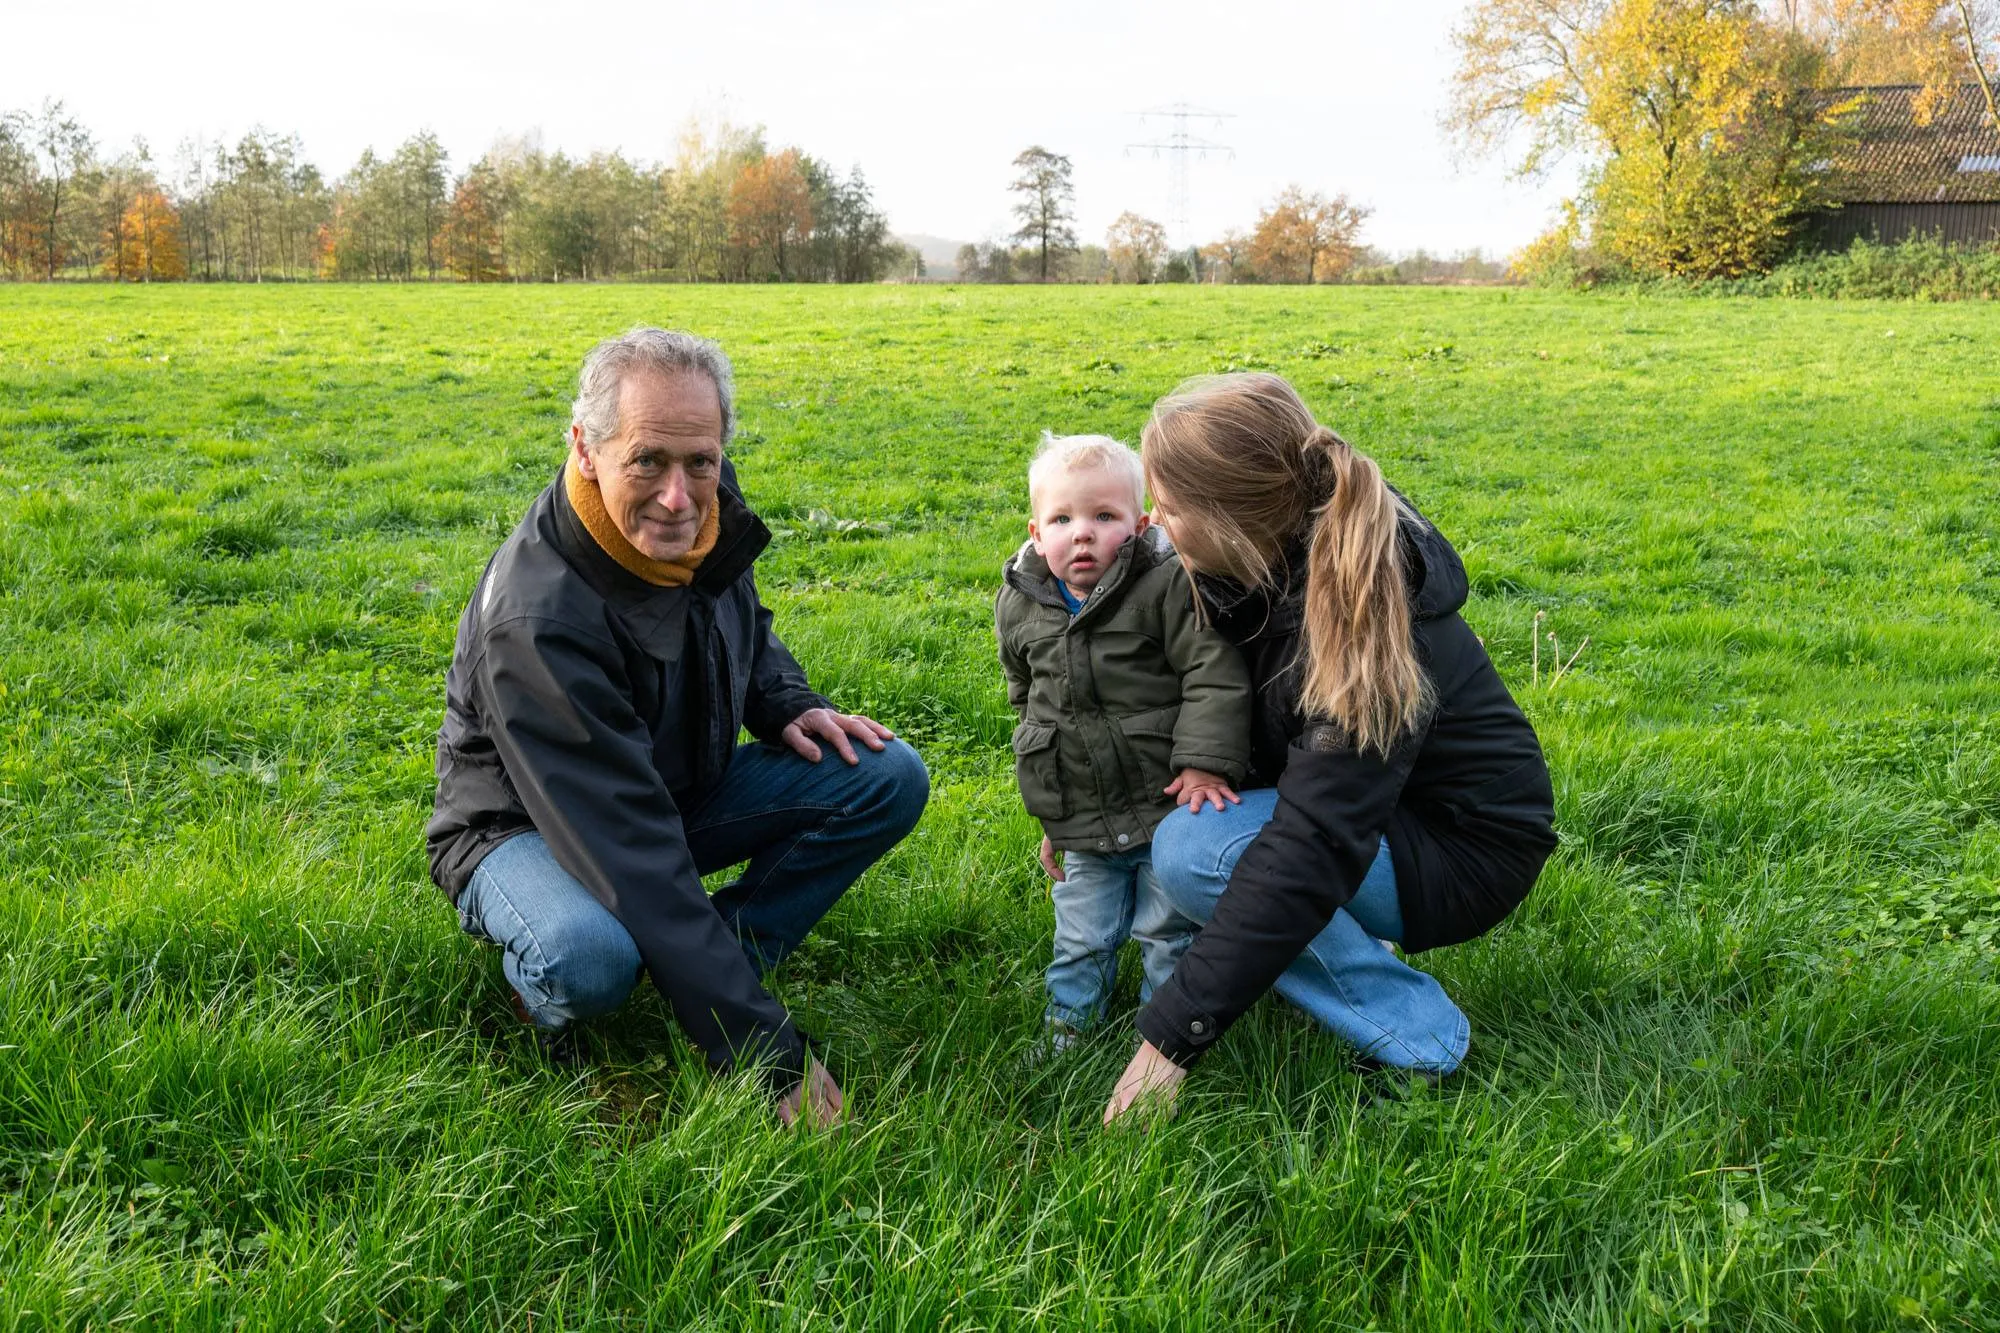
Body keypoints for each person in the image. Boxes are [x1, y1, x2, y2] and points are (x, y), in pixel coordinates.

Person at [426, 327, 928, 1128]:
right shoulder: (536, 618)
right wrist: (766, 1051)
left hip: (672, 783)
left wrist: (790, 703)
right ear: (585, 449)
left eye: (702, 460)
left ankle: (714, 959)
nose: (679, 495)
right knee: (589, 958)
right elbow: (632, 851)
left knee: (884, 773)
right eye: (648, 461)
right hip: (523, 828)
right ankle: (562, 990)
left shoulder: (700, 498)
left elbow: (744, 623)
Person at [1101, 373, 1558, 1125]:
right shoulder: (1255, 564)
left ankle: (1418, 1033)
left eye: (1172, 508)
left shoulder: (1361, 611)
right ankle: (1321, 964)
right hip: (1386, 818)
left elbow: (1313, 841)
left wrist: (1168, 1041)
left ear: (1229, 518)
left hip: (1463, 853)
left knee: (1198, 850)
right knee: (1199, 827)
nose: (1155, 521)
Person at [995, 434, 1251, 1049]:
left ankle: (1159, 1038)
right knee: (1080, 935)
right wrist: (1053, 818)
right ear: (1035, 530)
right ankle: (1067, 1031)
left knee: (1169, 934)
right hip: (1084, 812)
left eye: (1103, 517)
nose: (1081, 534)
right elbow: (1031, 708)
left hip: (1167, 806)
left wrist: (1204, 765)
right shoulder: (1018, 605)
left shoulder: (1165, 586)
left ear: (1137, 525)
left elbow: (1210, 671)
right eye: (1062, 519)